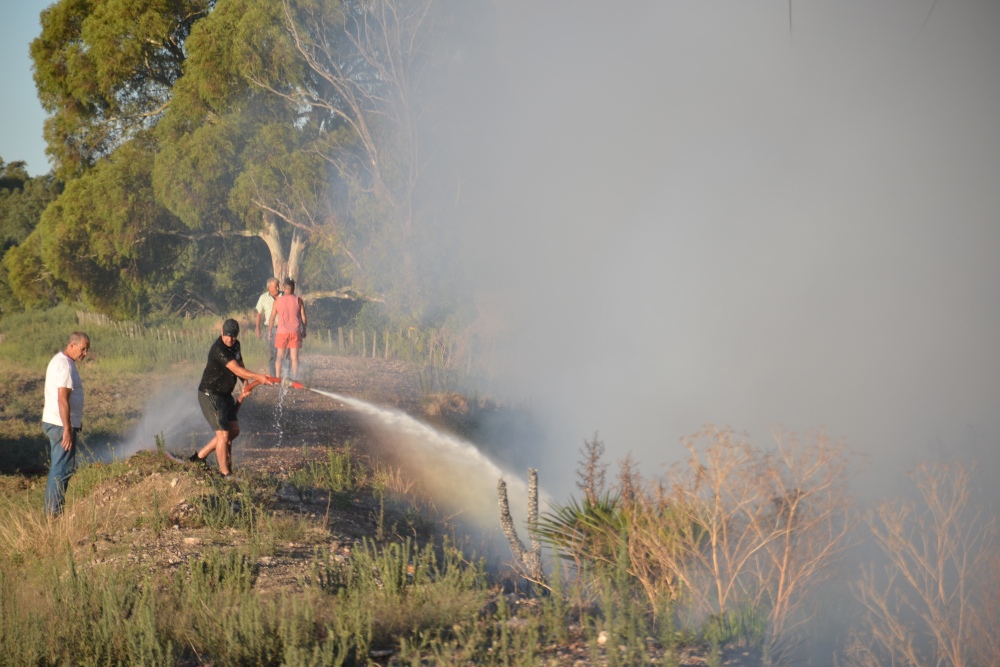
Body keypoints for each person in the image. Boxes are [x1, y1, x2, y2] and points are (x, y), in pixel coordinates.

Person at [192, 319, 274, 476]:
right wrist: (259, 376)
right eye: (227, 336)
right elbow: (236, 369)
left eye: (233, 336)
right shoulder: (218, 349)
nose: (230, 339)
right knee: (223, 434)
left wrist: (246, 384)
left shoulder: (236, 345)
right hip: (210, 394)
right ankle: (226, 475)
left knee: (233, 431)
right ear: (222, 333)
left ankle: (200, 457)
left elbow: (240, 365)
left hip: (225, 394)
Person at [42, 331, 90, 516]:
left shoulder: (62, 361)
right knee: (61, 470)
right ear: (72, 345)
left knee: (59, 467)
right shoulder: (65, 365)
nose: (85, 353)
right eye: (83, 349)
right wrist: (68, 429)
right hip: (60, 425)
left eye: (87, 350)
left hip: (56, 423)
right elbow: (63, 399)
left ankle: (53, 511)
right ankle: (53, 514)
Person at [268, 278, 307, 381]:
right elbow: (303, 317)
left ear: (284, 288)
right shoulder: (298, 300)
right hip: (295, 331)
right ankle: (294, 379)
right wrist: (304, 329)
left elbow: (272, 317)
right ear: (293, 288)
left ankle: (277, 379)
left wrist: (269, 331)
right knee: (294, 358)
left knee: (279, 357)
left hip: (282, 332)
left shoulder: (277, 301)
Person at [254, 277, 281, 377]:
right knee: (273, 354)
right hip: (271, 329)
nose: (278, 288)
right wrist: (257, 328)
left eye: (278, 286)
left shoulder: (284, 296)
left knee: (285, 354)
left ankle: (287, 377)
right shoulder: (263, 298)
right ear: (269, 287)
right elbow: (258, 314)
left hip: (283, 329)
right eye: (275, 286)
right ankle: (274, 377)